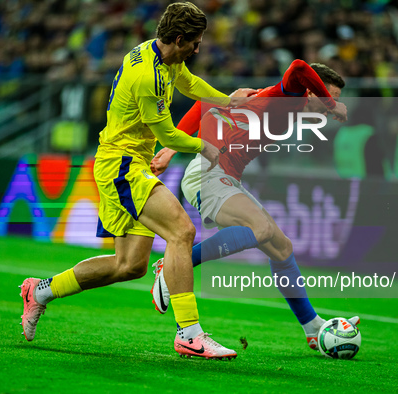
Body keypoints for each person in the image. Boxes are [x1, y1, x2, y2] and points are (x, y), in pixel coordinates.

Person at [19, 2, 253, 360]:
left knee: (128, 266)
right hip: (122, 165)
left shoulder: (157, 54)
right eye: (194, 43)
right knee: (181, 231)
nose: (198, 49)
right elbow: (170, 136)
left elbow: (187, 81)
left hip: (126, 161)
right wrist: (207, 148)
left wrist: (227, 100)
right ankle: (189, 333)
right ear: (178, 39)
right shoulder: (148, 76)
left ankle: (40, 292)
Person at [150, 60, 359, 351]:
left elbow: (205, 105)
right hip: (209, 174)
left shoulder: (272, 102)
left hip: (225, 178)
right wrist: (170, 149)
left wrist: (171, 149)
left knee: (282, 248)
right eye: (327, 96)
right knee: (259, 228)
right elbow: (299, 67)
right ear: (310, 92)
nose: (331, 106)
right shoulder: (286, 97)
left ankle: (312, 327)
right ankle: (171, 267)